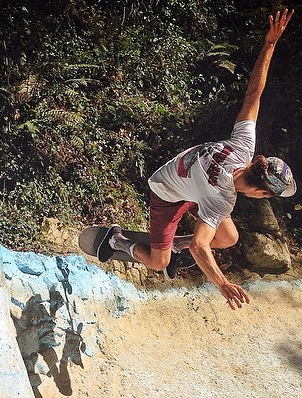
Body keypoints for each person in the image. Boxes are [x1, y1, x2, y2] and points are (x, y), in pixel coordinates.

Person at [98, 8, 296, 310]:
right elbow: (202, 247)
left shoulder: (243, 146)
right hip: (167, 192)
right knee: (157, 261)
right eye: (266, 196)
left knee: (228, 237)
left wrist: (269, 44)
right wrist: (223, 283)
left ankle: (178, 243)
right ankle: (117, 240)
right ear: (260, 191)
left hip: (192, 183)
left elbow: (253, 95)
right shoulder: (221, 200)